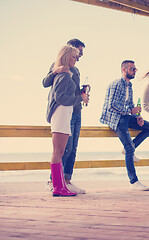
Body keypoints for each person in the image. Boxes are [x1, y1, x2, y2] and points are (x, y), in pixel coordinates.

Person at [100, 60, 149, 191]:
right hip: (115, 118)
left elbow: (130, 104)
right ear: (124, 70)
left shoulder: (129, 86)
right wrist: (130, 112)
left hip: (125, 116)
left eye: (135, 69)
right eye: (132, 69)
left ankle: (129, 148)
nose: (135, 71)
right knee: (129, 147)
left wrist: (137, 117)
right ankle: (134, 182)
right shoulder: (116, 84)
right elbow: (111, 106)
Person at [43, 39, 87, 194]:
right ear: (68, 52)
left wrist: (81, 94)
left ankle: (62, 184)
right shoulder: (62, 71)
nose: (79, 56)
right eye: (76, 53)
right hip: (63, 112)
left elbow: (66, 92)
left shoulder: (71, 71)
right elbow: (58, 95)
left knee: (68, 149)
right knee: (61, 151)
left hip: (71, 111)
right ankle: (56, 184)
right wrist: (79, 98)